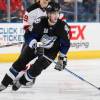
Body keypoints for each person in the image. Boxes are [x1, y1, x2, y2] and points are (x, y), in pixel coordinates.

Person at [0, 2, 70, 91]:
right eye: (53, 13)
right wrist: (34, 44)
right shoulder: (40, 22)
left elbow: (65, 44)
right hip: (36, 45)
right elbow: (28, 35)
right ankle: (4, 83)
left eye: (57, 13)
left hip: (50, 52)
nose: (56, 16)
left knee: (36, 70)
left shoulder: (62, 27)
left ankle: (21, 82)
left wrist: (62, 57)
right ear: (48, 14)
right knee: (20, 62)